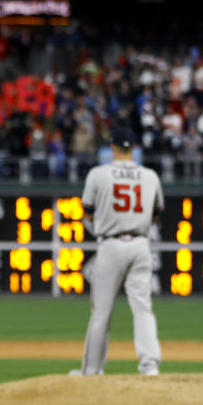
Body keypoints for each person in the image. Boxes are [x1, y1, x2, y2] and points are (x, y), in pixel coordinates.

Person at [71, 126, 163, 376]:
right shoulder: (150, 176)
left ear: (111, 147)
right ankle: (150, 365)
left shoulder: (98, 174)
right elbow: (156, 214)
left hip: (110, 244)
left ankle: (91, 370)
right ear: (133, 147)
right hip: (140, 243)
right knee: (143, 307)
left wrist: (103, 231)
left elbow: (86, 212)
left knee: (101, 311)